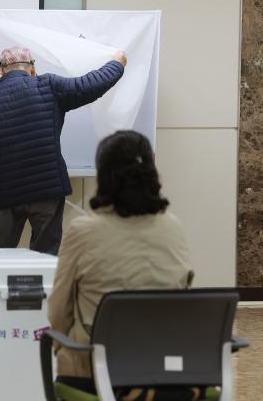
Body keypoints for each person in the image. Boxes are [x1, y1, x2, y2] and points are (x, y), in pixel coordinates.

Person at [48, 130, 196, 399]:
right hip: (167, 378)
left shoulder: (83, 231)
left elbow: (59, 313)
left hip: (95, 377)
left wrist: (62, 346)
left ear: (104, 177)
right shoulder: (172, 227)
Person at [0, 46, 127, 255]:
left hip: (5, 190)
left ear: (1, 70)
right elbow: (89, 86)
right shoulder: (48, 86)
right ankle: (41, 288)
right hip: (47, 190)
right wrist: (116, 64)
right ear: (32, 68)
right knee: (44, 257)